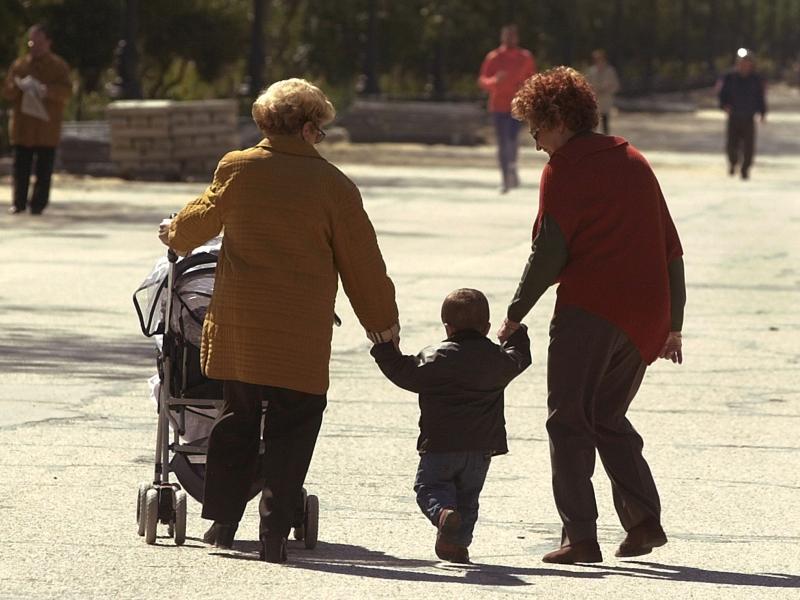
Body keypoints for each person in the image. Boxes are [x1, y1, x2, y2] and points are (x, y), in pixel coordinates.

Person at [158, 78, 399, 563]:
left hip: (240, 330)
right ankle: (273, 534)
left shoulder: (238, 167)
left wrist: (172, 232)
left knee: (237, 417)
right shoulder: (335, 186)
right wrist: (382, 327)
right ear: (310, 129)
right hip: (300, 335)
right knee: (294, 423)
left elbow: (195, 224)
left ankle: (223, 525)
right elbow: (363, 263)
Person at [497, 67, 686, 564]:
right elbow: (671, 248)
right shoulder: (635, 160)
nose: (536, 143)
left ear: (557, 118)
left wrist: (516, 312)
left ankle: (579, 536)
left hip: (591, 308)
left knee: (568, 420)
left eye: (536, 129)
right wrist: (673, 324)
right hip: (646, 314)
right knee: (607, 415)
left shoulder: (566, 169)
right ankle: (643, 521)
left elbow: (549, 251)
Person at [371, 288, 531, 564]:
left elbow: (401, 371)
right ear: (488, 327)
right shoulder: (497, 360)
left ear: (447, 326)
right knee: (468, 498)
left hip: (441, 445)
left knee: (430, 487)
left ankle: (443, 514)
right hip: (481, 449)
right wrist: (516, 333)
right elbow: (520, 357)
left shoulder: (435, 358)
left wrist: (386, 347)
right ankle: (456, 546)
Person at [2, 24, 72, 216]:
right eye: (32, 42)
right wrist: (18, 87)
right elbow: (7, 91)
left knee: (44, 170)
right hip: (22, 127)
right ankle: (19, 203)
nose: (34, 46)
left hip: (46, 128)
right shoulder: (20, 65)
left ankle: (38, 205)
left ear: (48, 43)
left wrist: (46, 91)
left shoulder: (59, 66)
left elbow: (67, 91)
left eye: (39, 42)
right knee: (20, 169)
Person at [478, 24, 536, 194]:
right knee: (502, 142)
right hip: (498, 106)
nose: (510, 39)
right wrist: (494, 81)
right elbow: (482, 80)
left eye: (513, 36)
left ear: (517, 37)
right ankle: (505, 178)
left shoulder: (525, 57)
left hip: (517, 106)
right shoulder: (494, 57)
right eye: (507, 36)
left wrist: (528, 95)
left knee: (512, 139)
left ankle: (512, 165)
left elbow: (533, 80)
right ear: (502, 37)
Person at [717, 48, 767, 180]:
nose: (745, 64)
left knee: (748, 146)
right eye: (742, 62)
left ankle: (745, 169)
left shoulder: (756, 79)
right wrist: (724, 106)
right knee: (731, 144)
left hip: (749, 116)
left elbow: (760, 96)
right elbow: (722, 95)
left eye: (747, 62)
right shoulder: (729, 77)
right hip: (733, 115)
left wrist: (762, 112)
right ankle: (733, 163)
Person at [584, 49, 620, 135]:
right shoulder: (591, 71)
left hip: (605, 100)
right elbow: (586, 84)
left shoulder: (610, 70)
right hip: (594, 100)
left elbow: (615, 85)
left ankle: (606, 141)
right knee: (592, 124)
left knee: (605, 122)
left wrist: (606, 89)